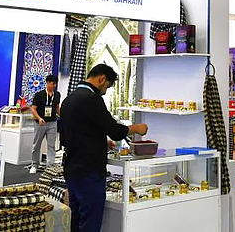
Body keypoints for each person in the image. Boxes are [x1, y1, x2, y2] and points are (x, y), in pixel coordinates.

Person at [60, 64, 148, 232]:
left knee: (75, 219)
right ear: (101, 79)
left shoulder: (68, 99)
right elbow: (114, 131)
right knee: (90, 222)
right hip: (89, 171)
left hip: (71, 168)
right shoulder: (92, 99)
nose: (105, 92)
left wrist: (99, 140)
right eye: (107, 86)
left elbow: (69, 136)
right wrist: (136, 128)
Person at [30, 75, 61, 174]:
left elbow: (57, 107)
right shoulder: (39, 95)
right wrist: (39, 118)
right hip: (40, 123)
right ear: (47, 83)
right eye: (52, 83)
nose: (54, 85)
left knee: (51, 145)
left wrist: (63, 116)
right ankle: (34, 165)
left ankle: (50, 166)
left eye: (55, 84)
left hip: (52, 122)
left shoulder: (57, 94)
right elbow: (33, 109)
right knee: (37, 144)